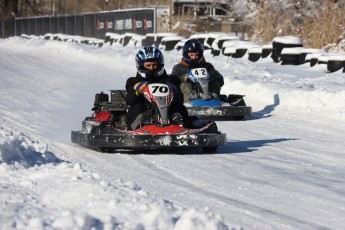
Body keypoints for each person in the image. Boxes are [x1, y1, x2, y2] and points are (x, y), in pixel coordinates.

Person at [125, 47, 189, 130]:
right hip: (146, 109)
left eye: (155, 65)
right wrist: (136, 91)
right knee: (137, 108)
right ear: (141, 66)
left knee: (179, 107)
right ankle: (138, 127)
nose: (152, 68)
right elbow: (130, 101)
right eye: (148, 65)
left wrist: (172, 89)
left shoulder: (171, 79)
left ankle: (183, 127)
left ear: (160, 64)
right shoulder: (133, 81)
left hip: (168, 109)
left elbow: (180, 99)